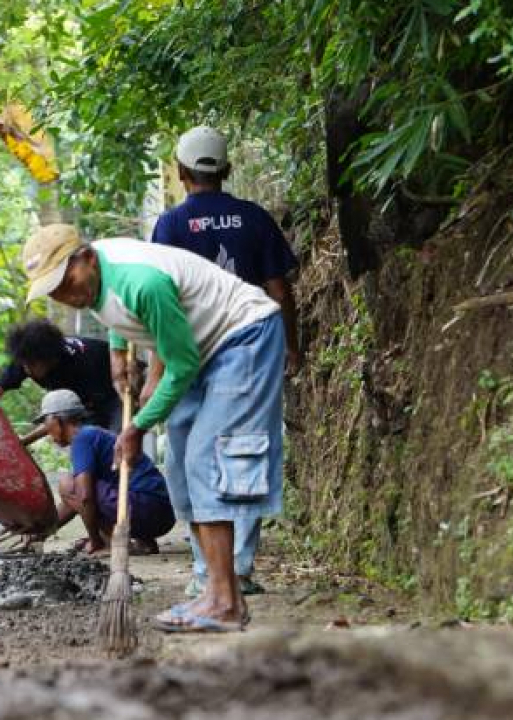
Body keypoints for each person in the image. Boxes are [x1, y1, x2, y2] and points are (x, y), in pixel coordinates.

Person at [23, 224, 285, 633]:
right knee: (180, 467)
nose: (63, 295)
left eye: (64, 281)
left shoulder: (142, 282)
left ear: (86, 258)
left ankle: (225, 602)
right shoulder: (94, 282)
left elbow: (181, 365)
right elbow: (120, 315)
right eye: (52, 290)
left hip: (242, 336)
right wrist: (116, 354)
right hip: (203, 346)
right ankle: (218, 591)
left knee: (207, 458)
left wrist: (138, 426)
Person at [152, 125, 303, 599]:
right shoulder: (254, 218)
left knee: (187, 455)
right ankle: (237, 568)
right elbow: (280, 291)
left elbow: (162, 300)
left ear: (180, 172)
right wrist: (292, 346)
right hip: (246, 352)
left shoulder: (171, 225)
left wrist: (155, 369)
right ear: (228, 169)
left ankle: (205, 571)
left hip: (189, 354)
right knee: (242, 452)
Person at [36, 389, 174, 555]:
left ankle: (108, 543)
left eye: (45, 421)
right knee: (74, 489)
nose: (46, 430)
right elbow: (71, 503)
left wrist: (95, 540)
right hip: (162, 513)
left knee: (69, 485)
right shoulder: (92, 434)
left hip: (147, 509)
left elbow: (84, 497)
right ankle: (143, 542)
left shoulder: (82, 439)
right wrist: (39, 534)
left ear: (57, 420)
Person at [0, 318, 123, 433]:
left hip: (114, 390)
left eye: (31, 365)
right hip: (90, 399)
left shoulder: (80, 365)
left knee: (112, 440)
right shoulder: (25, 357)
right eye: (24, 364)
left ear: (50, 360)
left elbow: (68, 419)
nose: (27, 369)